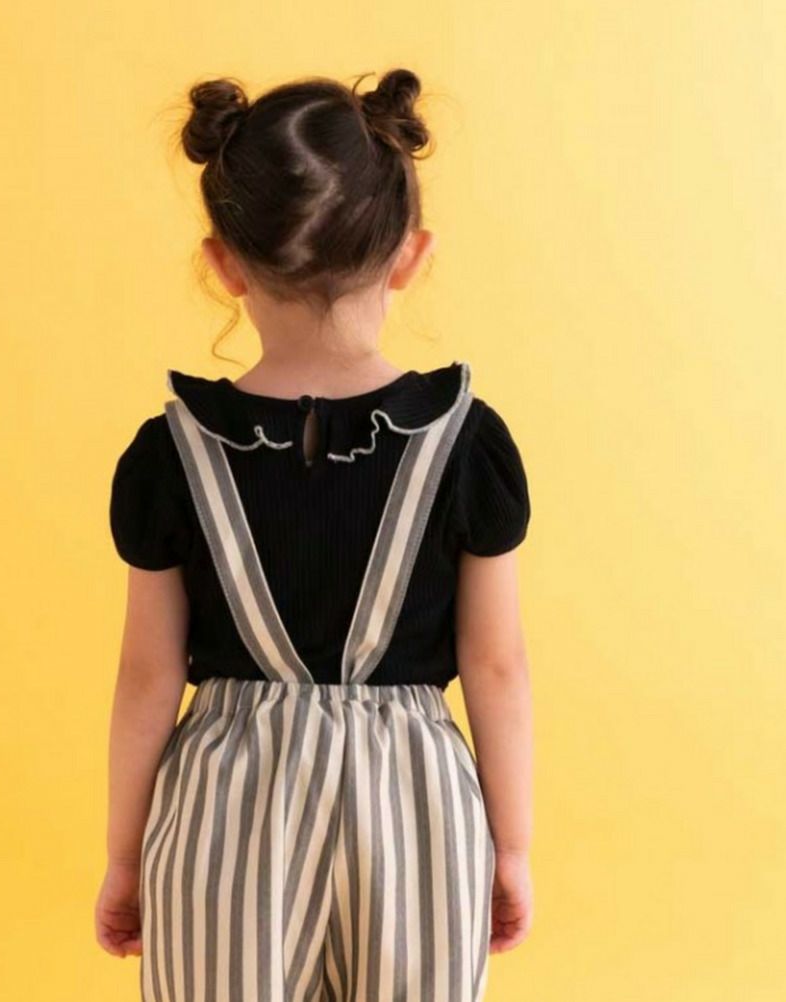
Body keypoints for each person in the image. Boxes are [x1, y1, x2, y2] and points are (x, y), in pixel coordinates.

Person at [95, 68, 534, 1002]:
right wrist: (514, 848)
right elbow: (496, 667)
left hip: (225, 808)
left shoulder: (172, 453)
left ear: (225, 264)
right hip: (416, 809)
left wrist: (125, 860)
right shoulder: (465, 443)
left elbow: (146, 677)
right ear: (410, 255)